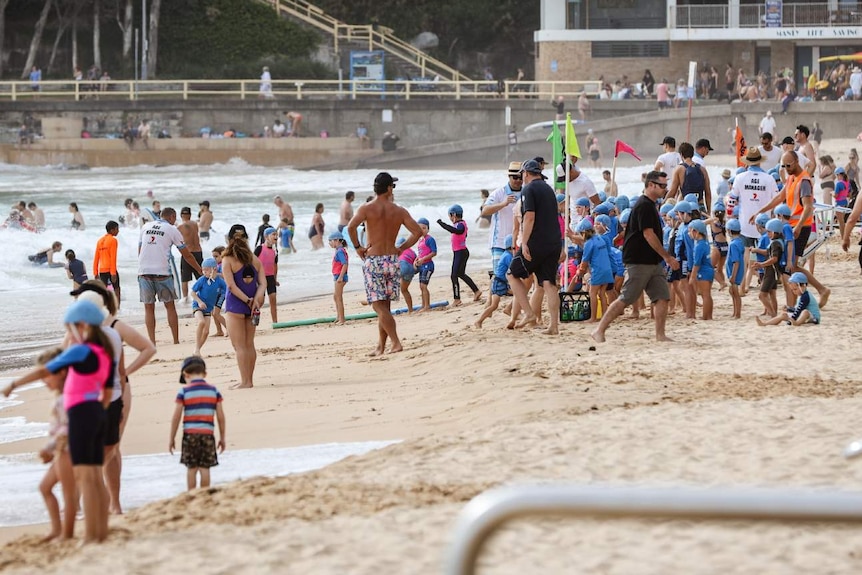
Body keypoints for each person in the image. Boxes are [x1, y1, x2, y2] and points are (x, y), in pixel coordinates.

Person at [5, 300, 114, 543]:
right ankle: (100, 533)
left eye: (71, 328)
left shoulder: (81, 350)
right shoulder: (105, 354)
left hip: (82, 414)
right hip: (97, 412)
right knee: (95, 477)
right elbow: (106, 395)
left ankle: (90, 537)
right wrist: (95, 412)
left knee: (86, 478)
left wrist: (13, 385)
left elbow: (45, 370)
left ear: (82, 325)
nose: (70, 334)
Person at [71, 279, 156, 516]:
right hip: (88, 392)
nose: (76, 299)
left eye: (81, 295)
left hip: (118, 391)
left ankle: (114, 503)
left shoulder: (114, 325)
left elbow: (149, 348)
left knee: (112, 446)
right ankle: (80, 500)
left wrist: (125, 373)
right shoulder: (78, 326)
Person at [591, 171, 680, 343]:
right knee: (626, 298)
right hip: (639, 261)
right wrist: (667, 257)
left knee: (662, 297)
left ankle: (660, 335)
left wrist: (661, 258)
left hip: (652, 261)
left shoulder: (650, 205)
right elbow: (648, 234)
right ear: (651, 185)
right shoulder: (644, 205)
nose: (665, 189)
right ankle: (599, 330)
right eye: (662, 185)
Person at [346, 172, 422, 356]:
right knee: (385, 306)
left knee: (377, 305)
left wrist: (358, 247)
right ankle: (381, 346)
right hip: (392, 261)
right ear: (388, 188)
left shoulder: (366, 208)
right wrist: (401, 248)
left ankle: (395, 342)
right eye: (392, 187)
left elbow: (350, 227)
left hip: (374, 261)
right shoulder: (399, 211)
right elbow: (418, 232)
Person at [9, 347, 75, 541]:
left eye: (46, 375)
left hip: (68, 450)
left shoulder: (66, 398)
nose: (43, 380)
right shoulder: (61, 396)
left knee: (68, 493)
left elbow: (67, 428)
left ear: (61, 372)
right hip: (61, 449)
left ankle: (66, 534)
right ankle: (56, 530)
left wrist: (49, 448)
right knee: (45, 487)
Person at [755, 151, 830, 307]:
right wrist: (761, 211)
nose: (786, 168)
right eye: (784, 165)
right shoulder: (791, 178)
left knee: (791, 266)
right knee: (792, 266)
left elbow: (808, 207)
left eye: (788, 165)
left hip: (801, 228)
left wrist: (799, 226)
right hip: (790, 227)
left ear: (796, 162)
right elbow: (779, 198)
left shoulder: (804, 181)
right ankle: (815, 292)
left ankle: (816, 292)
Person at [506, 159, 562, 335]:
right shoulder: (549, 189)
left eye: (522, 174)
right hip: (553, 242)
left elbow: (529, 217)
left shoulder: (529, 189)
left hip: (537, 242)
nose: (521, 177)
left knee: (512, 274)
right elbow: (554, 218)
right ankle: (553, 326)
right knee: (549, 283)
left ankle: (529, 314)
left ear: (527, 173)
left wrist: (524, 243)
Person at [138, 207, 204, 345]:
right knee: (170, 306)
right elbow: (186, 255)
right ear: (172, 217)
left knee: (148, 308)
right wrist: (199, 269)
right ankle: (175, 340)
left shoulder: (145, 226)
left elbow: (140, 250)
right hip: (162, 272)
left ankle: (152, 342)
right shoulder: (172, 229)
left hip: (143, 271)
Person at [169, 357, 226, 491]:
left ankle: (192, 494)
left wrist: (171, 438)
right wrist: (222, 438)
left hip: (190, 434)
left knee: (192, 467)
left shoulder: (184, 392)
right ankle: (205, 493)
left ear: (185, 375)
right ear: (205, 374)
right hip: (207, 434)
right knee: (205, 467)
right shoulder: (213, 391)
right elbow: (221, 417)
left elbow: (176, 417)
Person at [221, 224, 266, 388]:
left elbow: (231, 286)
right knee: (249, 344)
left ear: (229, 239)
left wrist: (247, 300)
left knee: (239, 346)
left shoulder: (227, 259)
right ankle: (249, 380)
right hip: (253, 307)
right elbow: (263, 284)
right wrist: (255, 299)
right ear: (246, 238)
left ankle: (245, 381)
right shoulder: (254, 259)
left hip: (236, 306)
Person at [437, 204, 482, 306]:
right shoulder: (459, 224)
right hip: (460, 252)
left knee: (454, 275)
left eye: (450, 216)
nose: (449, 218)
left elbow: (457, 231)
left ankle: (457, 299)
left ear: (453, 215)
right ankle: (476, 291)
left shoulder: (460, 224)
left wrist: (442, 224)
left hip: (461, 253)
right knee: (460, 274)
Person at [482, 161, 523, 273]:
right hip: (499, 243)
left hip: (519, 242)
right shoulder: (499, 193)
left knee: (517, 277)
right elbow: (485, 210)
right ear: (509, 177)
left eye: (520, 177)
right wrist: (503, 204)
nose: (518, 180)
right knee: (499, 276)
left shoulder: (526, 192)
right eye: (515, 177)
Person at [190, 258, 227, 357]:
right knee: (201, 322)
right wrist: (200, 302)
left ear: (214, 269)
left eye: (206, 270)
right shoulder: (202, 280)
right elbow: (193, 293)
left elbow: (228, 290)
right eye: (203, 270)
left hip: (208, 308)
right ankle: (197, 349)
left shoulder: (219, 281)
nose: (204, 272)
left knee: (206, 332)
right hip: (197, 305)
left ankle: (197, 350)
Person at [475, 234, 513, 328]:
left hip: (502, 282)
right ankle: (479, 321)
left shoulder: (507, 254)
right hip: (499, 283)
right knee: (494, 306)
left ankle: (509, 310)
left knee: (518, 294)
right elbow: (512, 269)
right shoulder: (508, 256)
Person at [756, 272, 820, 326]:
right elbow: (797, 309)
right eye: (792, 290)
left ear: (803, 286)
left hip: (813, 318)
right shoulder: (801, 296)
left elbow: (800, 310)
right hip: (802, 316)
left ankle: (797, 323)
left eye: (795, 289)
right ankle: (765, 324)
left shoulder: (806, 297)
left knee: (805, 312)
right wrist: (789, 309)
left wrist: (791, 320)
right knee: (784, 314)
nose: (794, 292)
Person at [688, 219, 714, 320]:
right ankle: (709, 315)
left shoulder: (699, 245)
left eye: (690, 231)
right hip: (708, 270)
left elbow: (697, 263)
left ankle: (705, 316)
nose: (689, 233)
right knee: (707, 294)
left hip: (703, 271)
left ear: (696, 231)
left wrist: (692, 276)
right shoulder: (705, 243)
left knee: (705, 295)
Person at [253, 227, 280, 324]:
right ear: (266, 236)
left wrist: (275, 279)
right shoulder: (259, 248)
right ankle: (252, 320)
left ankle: (275, 322)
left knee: (273, 299)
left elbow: (275, 266)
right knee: (260, 302)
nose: (276, 236)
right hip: (260, 278)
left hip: (270, 278)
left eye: (276, 234)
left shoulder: (275, 251)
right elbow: (252, 262)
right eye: (273, 234)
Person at [177, 207, 204, 303]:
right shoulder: (195, 224)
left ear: (181, 215)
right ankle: (203, 295)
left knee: (185, 279)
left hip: (188, 253)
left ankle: (185, 298)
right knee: (201, 275)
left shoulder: (180, 227)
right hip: (198, 252)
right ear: (190, 215)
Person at [93, 220, 121, 305]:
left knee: (103, 291)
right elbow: (113, 257)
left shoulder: (99, 241)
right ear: (112, 230)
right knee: (116, 289)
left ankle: (104, 307)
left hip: (102, 271)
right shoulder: (113, 240)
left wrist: (95, 272)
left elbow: (96, 258)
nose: (118, 231)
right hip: (110, 269)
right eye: (117, 229)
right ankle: (117, 308)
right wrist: (113, 273)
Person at [413, 217, 437, 312]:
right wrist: (416, 260)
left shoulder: (430, 239)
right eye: (420, 228)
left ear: (428, 229)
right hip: (422, 266)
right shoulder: (420, 240)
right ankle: (423, 305)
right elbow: (420, 253)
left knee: (424, 286)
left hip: (428, 265)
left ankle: (427, 306)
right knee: (421, 286)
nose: (422, 230)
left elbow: (434, 252)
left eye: (424, 228)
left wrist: (423, 259)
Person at [329, 231, 349, 324]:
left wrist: (341, 277)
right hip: (337, 276)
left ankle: (342, 319)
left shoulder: (340, 251)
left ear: (337, 240)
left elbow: (345, 264)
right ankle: (338, 316)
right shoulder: (339, 250)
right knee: (335, 296)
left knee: (338, 297)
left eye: (331, 241)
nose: (330, 243)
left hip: (340, 276)